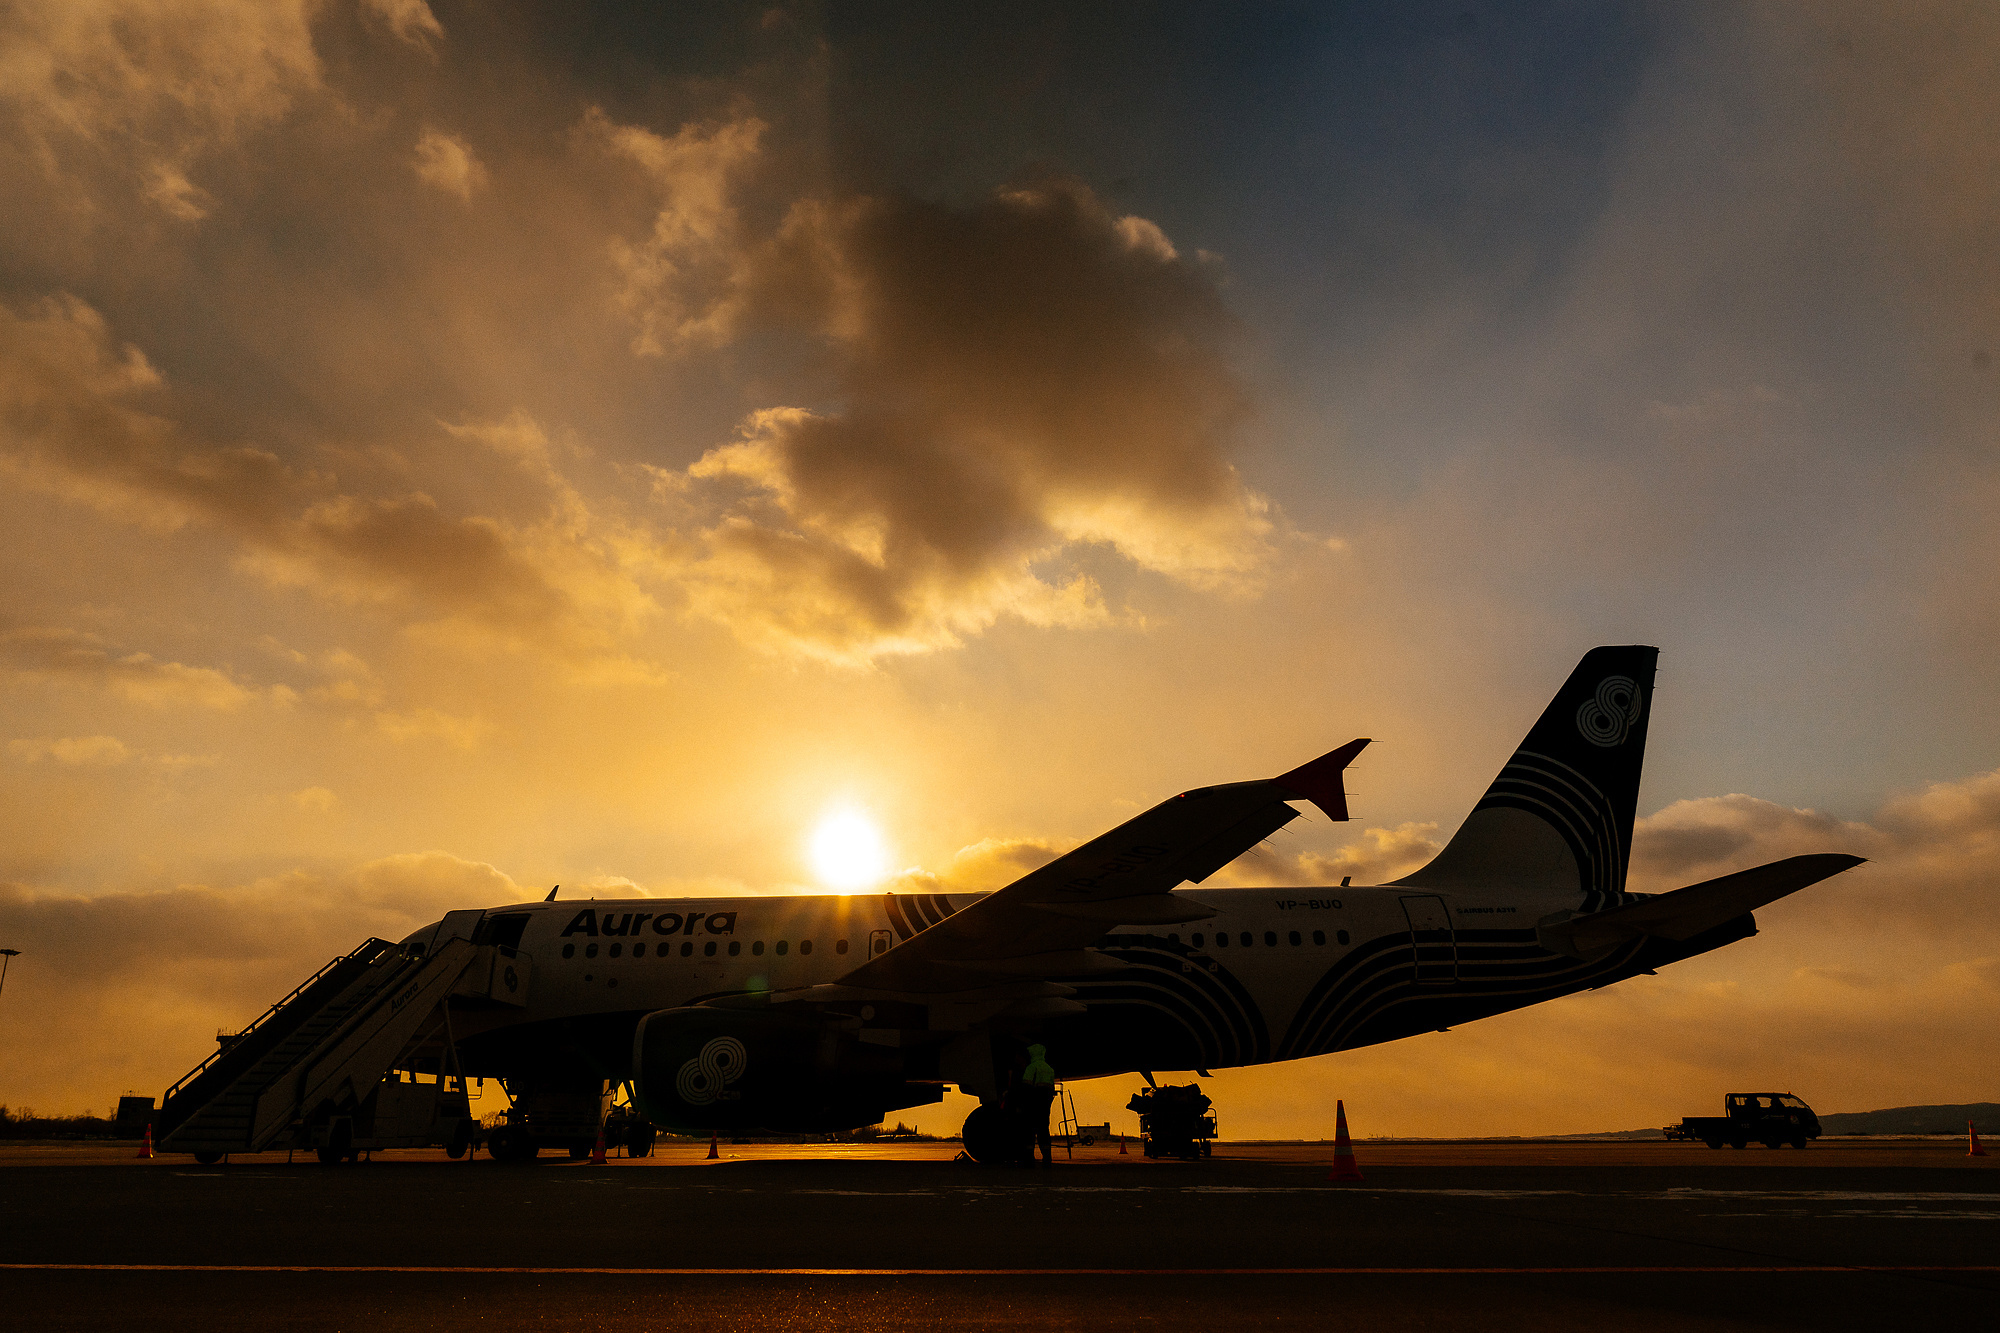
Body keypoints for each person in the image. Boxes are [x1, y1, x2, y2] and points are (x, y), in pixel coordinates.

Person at [1020, 1043, 1057, 1164]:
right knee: (1043, 1130)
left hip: (1032, 1104)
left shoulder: (1031, 1068)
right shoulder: (1049, 1069)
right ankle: (1047, 1157)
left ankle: (1029, 1158)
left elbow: (1026, 1087)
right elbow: (1051, 1089)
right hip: (1045, 1104)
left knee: (1029, 1131)